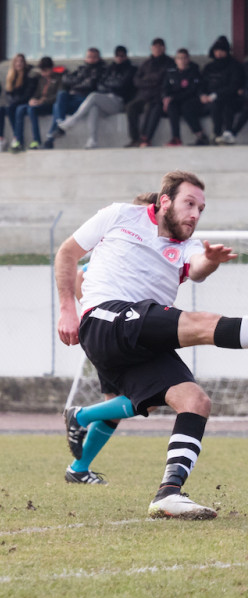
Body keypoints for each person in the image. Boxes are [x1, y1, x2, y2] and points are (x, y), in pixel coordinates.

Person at [56, 171, 248, 517]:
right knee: (199, 325)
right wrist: (70, 311)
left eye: (201, 209)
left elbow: (197, 268)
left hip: (142, 332)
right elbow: (67, 254)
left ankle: (168, 493)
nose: (195, 213)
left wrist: (211, 260)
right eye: (189, 204)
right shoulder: (119, 215)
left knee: (193, 400)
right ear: (164, 202)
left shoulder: (188, 246)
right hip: (107, 319)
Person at [66, 192, 158, 485]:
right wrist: (92, 312)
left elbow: (82, 276)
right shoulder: (120, 249)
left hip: (123, 328)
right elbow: (81, 274)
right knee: (152, 396)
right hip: (117, 329)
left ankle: (79, 469)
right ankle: (80, 416)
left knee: (115, 404)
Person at [55, 45, 137, 149]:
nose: (119, 58)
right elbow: (100, 85)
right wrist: (110, 85)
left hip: (118, 101)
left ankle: (72, 121)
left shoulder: (130, 69)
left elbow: (121, 84)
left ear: (126, 56)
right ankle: (92, 140)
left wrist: (108, 85)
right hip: (105, 99)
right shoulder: (110, 68)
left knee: (93, 96)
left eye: (122, 55)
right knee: (93, 109)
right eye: (117, 55)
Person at [44, 47, 105, 148]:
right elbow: (66, 79)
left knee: (56, 106)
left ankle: (53, 135)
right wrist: (77, 82)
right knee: (61, 95)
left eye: (94, 57)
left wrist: (75, 83)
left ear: (98, 58)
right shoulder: (81, 69)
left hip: (85, 100)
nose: (91, 59)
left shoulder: (99, 70)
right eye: (89, 57)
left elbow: (90, 85)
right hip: (73, 98)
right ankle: (60, 124)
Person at [125, 38, 175, 148]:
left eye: (159, 47)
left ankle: (145, 138)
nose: (157, 49)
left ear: (164, 48)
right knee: (130, 107)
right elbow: (136, 80)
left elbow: (163, 80)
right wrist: (150, 82)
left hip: (157, 96)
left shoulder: (169, 63)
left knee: (151, 107)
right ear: (151, 49)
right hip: (143, 95)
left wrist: (148, 81)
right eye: (155, 47)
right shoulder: (146, 63)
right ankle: (135, 138)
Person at [11, 56, 61, 151]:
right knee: (20, 109)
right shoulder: (41, 79)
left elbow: (59, 96)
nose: (44, 73)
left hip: (50, 105)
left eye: (46, 71)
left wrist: (43, 101)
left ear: (51, 68)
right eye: (42, 71)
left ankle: (36, 140)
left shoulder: (58, 79)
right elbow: (37, 93)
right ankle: (18, 140)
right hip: (39, 103)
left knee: (31, 109)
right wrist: (32, 99)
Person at [201, 36, 244, 145]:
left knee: (223, 105)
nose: (219, 53)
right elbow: (201, 84)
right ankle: (209, 135)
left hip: (230, 98)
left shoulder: (234, 66)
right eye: (216, 51)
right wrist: (202, 95)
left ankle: (220, 133)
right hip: (208, 99)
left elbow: (234, 85)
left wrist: (216, 95)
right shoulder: (208, 67)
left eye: (222, 51)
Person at [162, 49, 208, 146]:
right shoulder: (171, 72)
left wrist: (173, 97)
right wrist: (166, 97)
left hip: (191, 98)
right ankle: (176, 137)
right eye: (179, 58)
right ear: (175, 60)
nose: (182, 61)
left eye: (184, 58)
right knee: (171, 107)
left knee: (186, 107)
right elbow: (166, 87)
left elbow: (192, 90)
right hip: (175, 99)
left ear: (188, 59)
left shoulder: (194, 71)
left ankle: (200, 135)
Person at [1, 54, 36, 152]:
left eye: (21, 61)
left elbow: (28, 93)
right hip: (14, 102)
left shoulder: (28, 75)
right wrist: (11, 100)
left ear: (24, 63)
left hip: (24, 102)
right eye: (17, 61)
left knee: (12, 108)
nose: (19, 64)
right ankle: (2, 138)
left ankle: (17, 137)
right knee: (2, 109)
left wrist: (15, 101)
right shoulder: (11, 76)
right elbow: (8, 92)